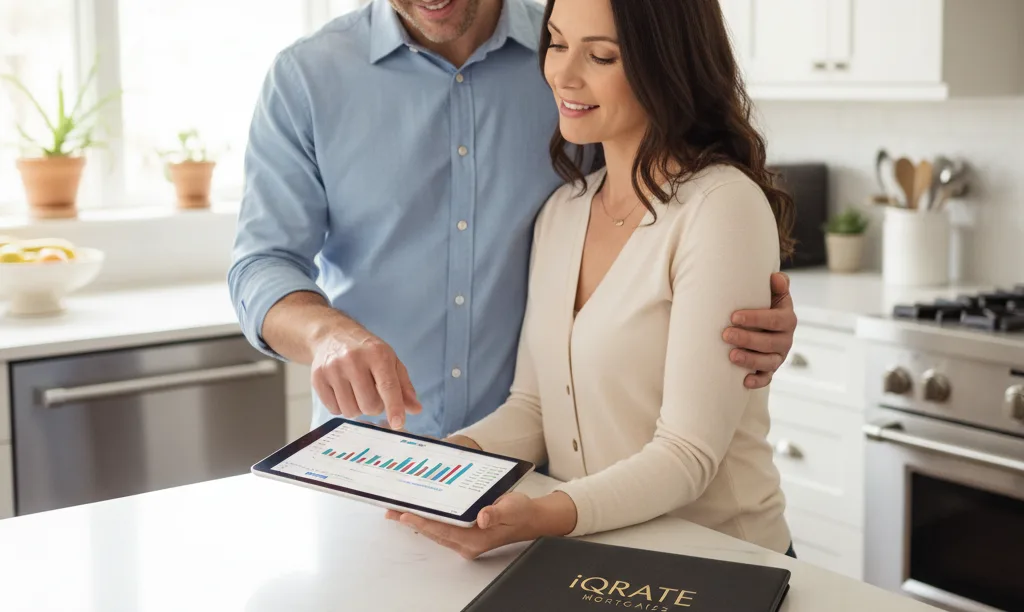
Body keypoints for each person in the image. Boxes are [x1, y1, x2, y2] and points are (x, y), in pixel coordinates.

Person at [229, 0, 798, 442]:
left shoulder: (571, 56)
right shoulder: (306, 79)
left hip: (537, 469)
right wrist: (326, 335)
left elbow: (670, 210)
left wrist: (732, 306)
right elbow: (262, 264)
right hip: (368, 460)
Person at [384, 0, 798, 560]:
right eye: (556, 43)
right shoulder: (564, 210)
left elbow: (686, 454)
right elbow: (533, 407)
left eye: (601, 55)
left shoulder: (721, 208)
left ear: (667, 64)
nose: (563, 74)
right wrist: (446, 462)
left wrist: (539, 516)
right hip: (602, 562)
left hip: (723, 564)